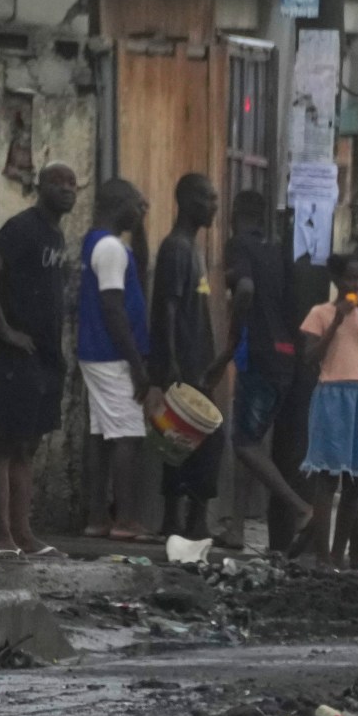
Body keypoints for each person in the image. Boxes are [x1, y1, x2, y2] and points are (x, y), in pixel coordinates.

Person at [0, 162, 79, 558]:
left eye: (72, 183)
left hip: (46, 357)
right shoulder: (23, 228)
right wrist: (4, 329)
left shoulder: (55, 234)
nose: (67, 189)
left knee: (27, 447)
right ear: (40, 186)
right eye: (58, 182)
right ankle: (1, 536)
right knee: (4, 443)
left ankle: (23, 533)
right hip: (15, 355)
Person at [221, 189, 313, 549]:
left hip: (259, 356)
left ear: (235, 214)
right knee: (253, 442)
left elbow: (244, 289)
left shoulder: (239, 246)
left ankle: (300, 507)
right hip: (286, 357)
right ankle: (237, 528)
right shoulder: (278, 253)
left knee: (244, 444)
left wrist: (230, 343)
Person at [150, 173, 230, 541]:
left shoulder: (193, 248)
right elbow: (166, 308)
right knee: (192, 439)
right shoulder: (177, 248)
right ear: (185, 200)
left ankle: (185, 520)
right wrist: (171, 362)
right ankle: (181, 520)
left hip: (199, 360)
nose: (214, 206)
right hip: (184, 362)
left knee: (191, 440)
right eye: (207, 198)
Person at [298, 252, 358, 568]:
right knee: (327, 477)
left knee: (355, 480)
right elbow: (309, 356)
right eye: (351, 279)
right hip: (332, 396)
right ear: (338, 281)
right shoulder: (320, 313)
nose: (357, 285)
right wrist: (337, 319)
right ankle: (322, 556)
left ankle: (338, 554)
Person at [78, 178, 153, 539]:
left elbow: (142, 265)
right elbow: (113, 307)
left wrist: (141, 228)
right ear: (119, 204)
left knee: (101, 434)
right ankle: (125, 519)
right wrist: (137, 366)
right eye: (136, 205)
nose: (140, 212)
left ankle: (97, 517)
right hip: (111, 355)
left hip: (100, 352)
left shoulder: (105, 243)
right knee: (128, 434)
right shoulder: (108, 248)